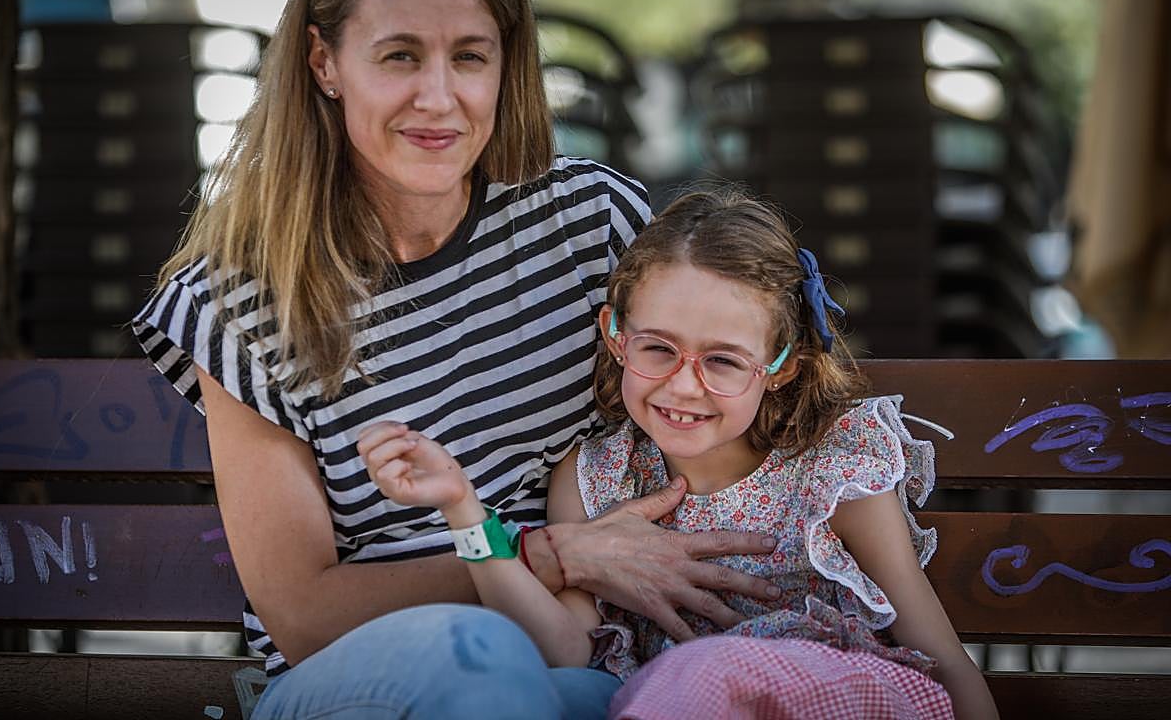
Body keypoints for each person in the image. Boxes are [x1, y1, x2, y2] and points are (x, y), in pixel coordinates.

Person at [132, 0, 782, 720]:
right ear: (324, 62)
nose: (440, 98)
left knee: (588, 696)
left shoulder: (592, 227)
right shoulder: (239, 302)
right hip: (353, 683)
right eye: (400, 56)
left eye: (470, 57)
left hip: (578, 653)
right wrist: (546, 555)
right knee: (481, 658)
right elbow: (300, 616)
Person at [363, 189, 1000, 719]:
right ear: (615, 337)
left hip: (848, 699)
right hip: (672, 703)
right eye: (657, 349)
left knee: (701, 672)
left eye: (722, 360)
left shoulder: (833, 463)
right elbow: (566, 650)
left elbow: (936, 650)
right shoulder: (595, 479)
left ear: (780, 368)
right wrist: (467, 517)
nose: (684, 385)